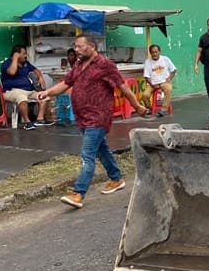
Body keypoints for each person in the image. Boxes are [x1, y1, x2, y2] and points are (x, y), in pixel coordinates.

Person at [37, 34, 148, 208]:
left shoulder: (105, 65)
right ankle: (116, 178)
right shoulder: (79, 65)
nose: (77, 50)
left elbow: (123, 87)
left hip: (98, 117)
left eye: (81, 46)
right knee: (101, 150)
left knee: (87, 155)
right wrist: (47, 93)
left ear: (92, 46)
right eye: (76, 46)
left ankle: (78, 193)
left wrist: (138, 106)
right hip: (83, 117)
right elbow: (66, 83)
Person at [0, 44, 54, 131]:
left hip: (28, 91)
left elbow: (36, 70)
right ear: (16, 54)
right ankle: (27, 122)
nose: (25, 56)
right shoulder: (7, 64)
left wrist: (40, 77)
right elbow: (12, 72)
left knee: (44, 95)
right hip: (11, 92)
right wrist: (15, 58)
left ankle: (39, 119)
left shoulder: (25, 63)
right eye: (24, 53)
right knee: (21, 97)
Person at [141, 44, 177, 117]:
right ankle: (149, 108)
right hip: (152, 83)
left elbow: (174, 70)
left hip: (164, 82)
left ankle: (163, 109)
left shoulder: (165, 59)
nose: (154, 54)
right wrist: (152, 85)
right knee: (145, 95)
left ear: (159, 52)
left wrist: (169, 78)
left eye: (156, 52)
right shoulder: (147, 62)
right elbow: (146, 77)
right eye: (152, 52)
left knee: (168, 89)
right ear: (150, 53)